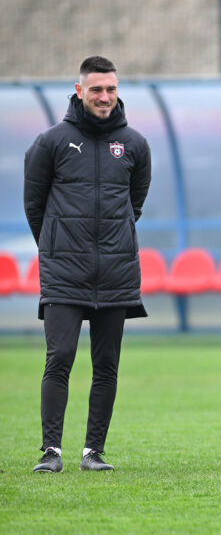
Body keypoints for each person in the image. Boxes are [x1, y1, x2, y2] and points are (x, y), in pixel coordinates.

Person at [24, 55, 152, 473]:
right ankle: (51, 452)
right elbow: (34, 206)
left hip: (115, 272)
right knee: (59, 357)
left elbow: (134, 204)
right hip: (64, 271)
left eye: (111, 89)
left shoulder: (134, 144)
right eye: (96, 89)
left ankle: (92, 452)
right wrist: (57, 246)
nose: (104, 96)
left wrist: (112, 240)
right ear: (79, 91)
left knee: (107, 366)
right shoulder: (51, 142)